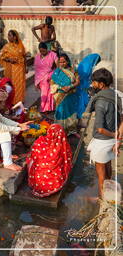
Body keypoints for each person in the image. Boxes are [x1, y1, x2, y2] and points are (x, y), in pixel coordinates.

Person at [86, 68, 122, 198]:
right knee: (108, 168)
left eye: (94, 82)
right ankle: (110, 195)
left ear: (101, 84)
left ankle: (102, 199)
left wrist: (114, 135)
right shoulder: (117, 95)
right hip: (112, 142)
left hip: (102, 141)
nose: (92, 85)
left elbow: (100, 129)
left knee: (101, 176)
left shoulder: (100, 102)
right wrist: (118, 138)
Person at [26, 124, 72, 197]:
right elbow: (67, 159)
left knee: (32, 160)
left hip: (37, 180)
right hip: (53, 182)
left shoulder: (40, 141)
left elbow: (32, 156)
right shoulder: (62, 146)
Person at [51, 54, 80, 133]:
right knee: (61, 111)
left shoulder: (73, 70)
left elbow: (78, 82)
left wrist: (70, 86)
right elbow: (52, 84)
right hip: (60, 95)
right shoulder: (57, 72)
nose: (62, 64)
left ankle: (71, 129)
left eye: (64, 62)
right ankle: (60, 130)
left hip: (70, 94)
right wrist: (61, 88)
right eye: (60, 62)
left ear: (67, 61)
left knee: (70, 111)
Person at [0, 29, 26, 105]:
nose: (8, 37)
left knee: (20, 85)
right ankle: (13, 101)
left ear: (14, 37)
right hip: (11, 69)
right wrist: (9, 59)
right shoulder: (6, 46)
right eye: (8, 35)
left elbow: (24, 56)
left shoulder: (20, 45)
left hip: (20, 68)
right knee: (12, 85)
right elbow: (1, 56)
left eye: (10, 35)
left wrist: (25, 67)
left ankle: (19, 100)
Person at [34, 42, 58, 113]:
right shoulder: (37, 56)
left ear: (47, 49)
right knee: (44, 92)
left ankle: (45, 108)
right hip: (40, 77)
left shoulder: (53, 55)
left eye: (44, 51)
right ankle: (48, 108)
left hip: (50, 75)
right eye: (40, 51)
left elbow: (58, 66)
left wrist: (53, 76)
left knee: (47, 93)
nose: (42, 52)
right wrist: (36, 79)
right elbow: (36, 68)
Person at [76, 53, 101, 119]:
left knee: (84, 101)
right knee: (81, 101)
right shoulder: (86, 65)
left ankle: (81, 116)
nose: (96, 64)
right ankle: (80, 116)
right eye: (96, 62)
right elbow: (84, 76)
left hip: (84, 86)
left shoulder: (88, 64)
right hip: (81, 86)